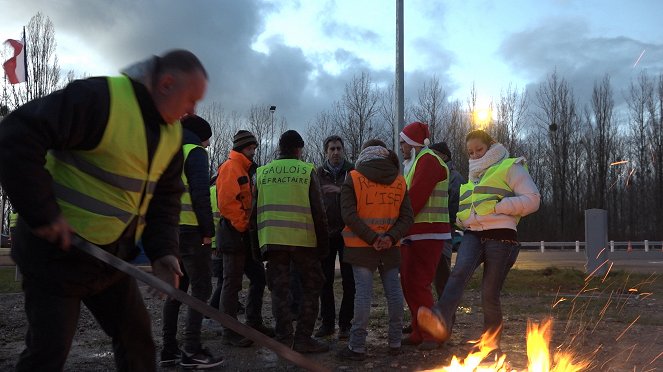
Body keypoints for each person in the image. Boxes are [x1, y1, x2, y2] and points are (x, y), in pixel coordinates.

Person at [0, 50, 207, 371]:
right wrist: (42, 213)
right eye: (192, 99)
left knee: (138, 345)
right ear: (166, 83)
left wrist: (164, 251)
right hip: (55, 257)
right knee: (48, 353)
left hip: (109, 262)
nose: (193, 109)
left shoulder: (171, 137)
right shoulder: (99, 100)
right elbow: (16, 135)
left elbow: (165, 200)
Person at [418, 129, 540, 349]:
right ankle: (438, 322)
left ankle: (491, 344)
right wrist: (463, 220)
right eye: (470, 152)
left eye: (479, 150)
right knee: (458, 274)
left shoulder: (510, 166)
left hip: (502, 236)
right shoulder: (473, 175)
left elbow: (533, 200)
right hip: (474, 234)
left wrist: (499, 207)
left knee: (489, 293)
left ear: (491, 146)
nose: (474, 156)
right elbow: (472, 206)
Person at [250, 130, 330, 353]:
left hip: (273, 243)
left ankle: (284, 338)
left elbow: (253, 215)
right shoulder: (306, 171)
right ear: (298, 149)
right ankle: (303, 338)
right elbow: (319, 212)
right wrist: (323, 246)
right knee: (313, 286)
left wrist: (256, 249)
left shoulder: (262, 173)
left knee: (279, 289)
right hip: (303, 242)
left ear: (280, 148)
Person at [336, 140, 413, 361]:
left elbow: (348, 214)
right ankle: (395, 342)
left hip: (361, 246)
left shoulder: (354, 178)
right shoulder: (399, 181)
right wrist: (389, 237)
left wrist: (372, 238)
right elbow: (407, 217)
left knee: (363, 295)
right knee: (394, 293)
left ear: (364, 155)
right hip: (390, 247)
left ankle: (357, 346)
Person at [161, 114, 223, 369]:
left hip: (170, 231)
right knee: (200, 289)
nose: (207, 145)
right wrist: (208, 230)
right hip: (192, 230)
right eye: (207, 140)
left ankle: (168, 349)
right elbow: (200, 192)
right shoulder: (194, 152)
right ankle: (192, 349)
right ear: (200, 136)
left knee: (176, 289)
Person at [217, 130, 273, 347]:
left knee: (258, 277)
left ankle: (253, 322)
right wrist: (244, 226)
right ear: (243, 147)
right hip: (234, 233)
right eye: (252, 148)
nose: (254, 151)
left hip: (242, 234)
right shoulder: (231, 168)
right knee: (232, 283)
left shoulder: (244, 169)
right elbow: (227, 203)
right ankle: (229, 331)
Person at [398, 121, 451, 350]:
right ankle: (419, 330)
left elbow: (415, 199)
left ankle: (432, 334)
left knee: (418, 283)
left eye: (403, 142)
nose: (400, 146)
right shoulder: (417, 162)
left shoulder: (428, 161)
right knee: (409, 283)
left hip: (428, 232)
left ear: (413, 143)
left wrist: (397, 225)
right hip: (418, 232)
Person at [315, 135, 355, 339]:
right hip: (326, 232)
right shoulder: (317, 173)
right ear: (326, 152)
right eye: (332, 149)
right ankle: (327, 323)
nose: (336, 152)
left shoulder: (353, 171)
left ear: (343, 150)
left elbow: (358, 196)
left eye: (339, 148)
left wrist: (339, 191)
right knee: (325, 280)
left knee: (349, 280)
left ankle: (346, 324)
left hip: (349, 233)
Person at [429, 141, 466, 298]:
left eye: (433, 154)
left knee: (442, 271)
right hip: (434, 228)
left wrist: (447, 222)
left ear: (443, 156)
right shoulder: (437, 173)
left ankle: (446, 314)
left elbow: (456, 205)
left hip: (444, 230)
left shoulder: (454, 177)